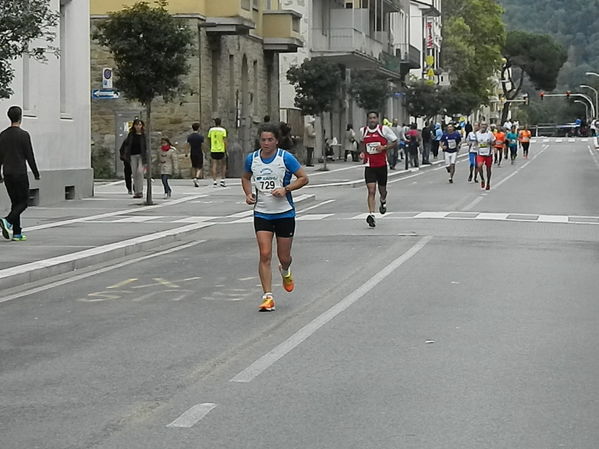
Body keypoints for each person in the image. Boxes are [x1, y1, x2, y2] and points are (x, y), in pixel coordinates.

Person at [241, 123, 309, 312]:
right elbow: (245, 177)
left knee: (284, 256)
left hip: (284, 212)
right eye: (263, 140)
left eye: (270, 140)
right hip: (262, 212)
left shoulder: (285, 158)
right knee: (264, 254)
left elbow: (303, 178)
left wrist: (285, 189)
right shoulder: (252, 159)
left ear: (277, 141)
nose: (266, 143)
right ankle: (268, 296)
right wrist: (248, 194)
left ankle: (285, 270)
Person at [0, 106, 40, 241]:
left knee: (15, 202)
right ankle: (7, 221)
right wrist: (36, 173)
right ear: (20, 117)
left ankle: (17, 233)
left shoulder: (3, 135)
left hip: (7, 173)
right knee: (23, 202)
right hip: (20, 173)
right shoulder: (24, 135)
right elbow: (30, 155)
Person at [358, 111, 398, 228]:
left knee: (382, 190)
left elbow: (395, 142)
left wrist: (384, 147)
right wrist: (362, 152)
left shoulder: (383, 130)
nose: (372, 120)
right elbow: (361, 142)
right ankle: (371, 215)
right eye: (370, 118)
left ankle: (383, 201)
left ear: (377, 119)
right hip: (369, 165)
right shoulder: (363, 131)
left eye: (374, 118)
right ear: (367, 119)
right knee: (371, 190)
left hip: (381, 164)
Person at [119, 118, 147, 199]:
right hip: (132, 156)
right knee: (134, 173)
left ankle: (140, 191)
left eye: (140, 125)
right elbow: (127, 145)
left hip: (141, 156)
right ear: (134, 126)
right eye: (136, 125)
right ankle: (137, 192)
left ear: (142, 126)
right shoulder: (131, 135)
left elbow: (146, 147)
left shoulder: (144, 135)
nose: (138, 126)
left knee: (140, 172)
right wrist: (125, 154)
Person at [207, 118, 227, 187]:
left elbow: (209, 139)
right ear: (220, 122)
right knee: (223, 165)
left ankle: (214, 181)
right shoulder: (223, 130)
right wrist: (225, 149)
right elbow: (224, 140)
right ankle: (222, 180)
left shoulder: (211, 130)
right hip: (221, 149)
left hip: (213, 149)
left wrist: (210, 147)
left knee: (214, 165)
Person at [475, 122, 495, 191]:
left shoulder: (490, 134)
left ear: (487, 126)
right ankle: (482, 179)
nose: (483, 126)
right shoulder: (477, 133)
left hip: (488, 154)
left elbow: (494, 142)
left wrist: (491, 143)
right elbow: (476, 142)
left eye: (484, 125)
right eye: (482, 125)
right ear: (480, 126)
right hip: (480, 153)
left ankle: (488, 182)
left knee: (488, 169)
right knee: (479, 166)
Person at [185, 122, 204, 187]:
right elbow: (202, 145)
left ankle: (194, 178)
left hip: (192, 152)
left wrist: (186, 153)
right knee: (199, 166)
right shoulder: (200, 137)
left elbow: (187, 145)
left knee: (194, 166)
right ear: (198, 128)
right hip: (199, 152)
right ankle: (197, 177)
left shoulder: (190, 137)